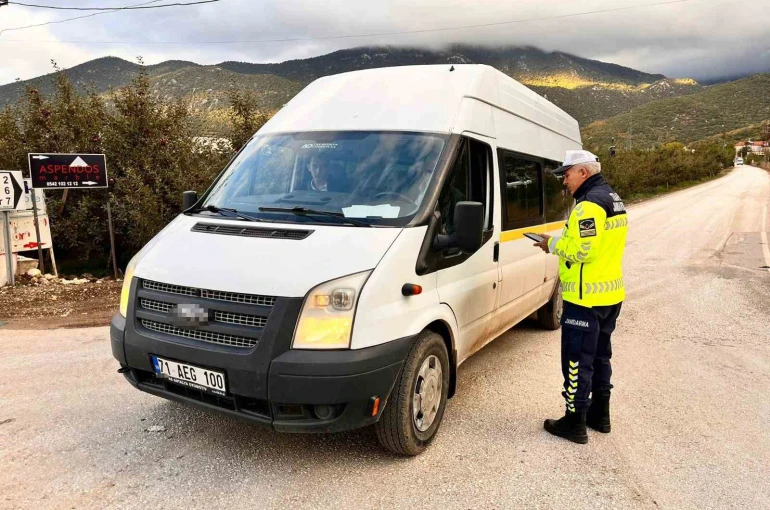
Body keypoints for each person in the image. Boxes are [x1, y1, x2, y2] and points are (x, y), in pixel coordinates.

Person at [533, 150, 629, 444]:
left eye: (567, 173)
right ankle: (601, 416)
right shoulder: (612, 198)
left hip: (585, 298)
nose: (564, 180)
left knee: (576, 360)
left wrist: (552, 245)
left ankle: (574, 422)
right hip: (609, 294)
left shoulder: (588, 207)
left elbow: (585, 251)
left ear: (584, 172)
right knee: (601, 355)